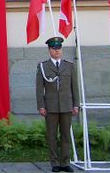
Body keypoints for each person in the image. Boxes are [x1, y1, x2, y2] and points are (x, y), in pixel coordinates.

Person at [36, 37, 79, 173]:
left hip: (67, 105)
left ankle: (65, 162)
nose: (57, 51)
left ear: (62, 49)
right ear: (49, 50)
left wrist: (76, 104)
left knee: (66, 135)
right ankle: (54, 163)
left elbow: (74, 87)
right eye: (54, 49)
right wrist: (41, 106)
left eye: (59, 48)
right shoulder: (43, 66)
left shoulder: (69, 66)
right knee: (52, 135)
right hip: (51, 106)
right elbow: (39, 88)